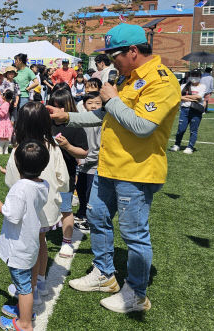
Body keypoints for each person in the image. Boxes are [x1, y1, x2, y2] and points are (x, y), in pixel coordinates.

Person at [48, 23, 181, 313]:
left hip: (136, 171)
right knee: (97, 217)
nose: (109, 62)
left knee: (134, 233)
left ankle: (136, 293)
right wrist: (66, 116)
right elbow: (102, 115)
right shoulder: (126, 78)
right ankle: (105, 275)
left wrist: (114, 99)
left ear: (133, 51)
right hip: (108, 166)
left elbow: (143, 127)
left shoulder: (161, 81)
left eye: (113, 55)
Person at [3, 102, 68, 305]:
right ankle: (40, 283)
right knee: (42, 243)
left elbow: (11, 183)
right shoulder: (54, 148)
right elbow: (64, 181)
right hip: (48, 208)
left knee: (30, 248)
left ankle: (31, 290)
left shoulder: (17, 152)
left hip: (28, 211)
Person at [0, 140, 49, 331]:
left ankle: (25, 323)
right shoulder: (43, 184)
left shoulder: (20, 188)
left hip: (19, 245)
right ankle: (24, 311)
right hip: (30, 242)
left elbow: (12, 215)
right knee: (25, 281)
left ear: (18, 164)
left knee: (23, 286)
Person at [48, 89, 88, 258]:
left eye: (60, 106)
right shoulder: (44, 123)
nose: (56, 110)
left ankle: (66, 242)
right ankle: (41, 234)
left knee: (65, 209)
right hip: (45, 173)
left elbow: (83, 153)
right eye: (53, 106)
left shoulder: (75, 126)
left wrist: (68, 147)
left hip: (65, 175)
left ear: (67, 107)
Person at [74, 92, 103, 232]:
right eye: (90, 103)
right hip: (83, 163)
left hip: (93, 164)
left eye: (98, 103)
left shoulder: (101, 123)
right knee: (80, 189)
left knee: (90, 192)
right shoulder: (82, 119)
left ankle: (88, 219)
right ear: (84, 104)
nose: (93, 106)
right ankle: (81, 213)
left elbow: (100, 147)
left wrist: (86, 159)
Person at [170, 69, 207, 154]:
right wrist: (190, 98)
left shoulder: (202, 86)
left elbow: (198, 97)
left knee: (193, 130)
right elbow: (177, 96)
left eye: (196, 75)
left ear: (200, 77)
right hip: (184, 110)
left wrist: (185, 97)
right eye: (192, 75)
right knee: (181, 129)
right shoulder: (183, 86)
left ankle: (190, 147)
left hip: (196, 111)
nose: (194, 77)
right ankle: (177, 145)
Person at [0, 90, 14, 154]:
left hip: (3, 123)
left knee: (2, 137)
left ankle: (1, 150)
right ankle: (5, 150)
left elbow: (2, 114)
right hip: (6, 123)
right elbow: (0, 100)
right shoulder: (6, 103)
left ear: (4, 96)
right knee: (6, 137)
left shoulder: (5, 104)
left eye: (3, 94)